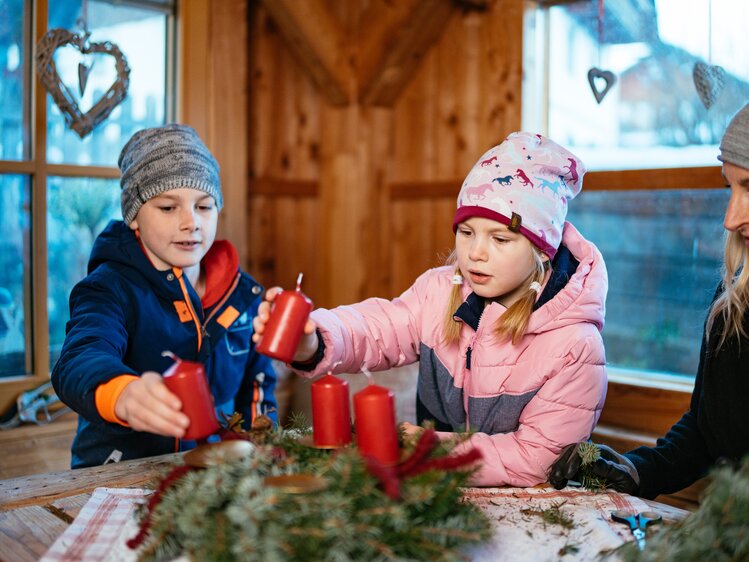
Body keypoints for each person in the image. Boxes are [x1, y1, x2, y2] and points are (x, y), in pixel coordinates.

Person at [253, 131, 608, 486]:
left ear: (541, 250)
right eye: (467, 232)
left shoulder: (574, 346)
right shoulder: (439, 292)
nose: (476, 253)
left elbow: (536, 459)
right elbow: (378, 328)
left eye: (499, 239)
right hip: (434, 498)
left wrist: (430, 449)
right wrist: (312, 342)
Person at [549, 101, 749, 499]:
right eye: (731, 187)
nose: (730, 218)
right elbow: (707, 430)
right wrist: (634, 469)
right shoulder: (736, 295)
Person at [51, 124, 277, 468]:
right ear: (134, 219)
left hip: (214, 475)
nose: (191, 222)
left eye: (204, 206)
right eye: (168, 208)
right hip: (119, 475)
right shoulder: (108, 288)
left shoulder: (243, 296)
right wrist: (123, 393)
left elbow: (257, 384)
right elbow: (80, 357)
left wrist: (261, 446)